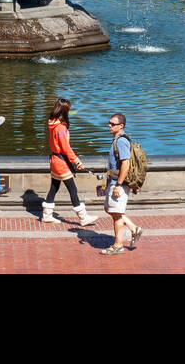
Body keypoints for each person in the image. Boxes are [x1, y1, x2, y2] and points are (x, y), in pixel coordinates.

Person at [40, 98, 96, 227]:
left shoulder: (52, 123)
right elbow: (65, 148)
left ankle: (47, 215)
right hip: (61, 162)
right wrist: (77, 161)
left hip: (54, 160)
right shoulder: (60, 127)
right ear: (65, 111)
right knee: (73, 190)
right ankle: (83, 217)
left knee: (54, 188)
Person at [101, 112, 141, 255]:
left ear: (121, 126)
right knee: (109, 209)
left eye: (113, 124)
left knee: (116, 214)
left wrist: (118, 184)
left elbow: (125, 163)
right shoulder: (116, 140)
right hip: (112, 181)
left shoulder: (121, 141)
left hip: (118, 183)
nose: (109, 126)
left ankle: (118, 245)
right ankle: (133, 228)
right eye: (109, 123)